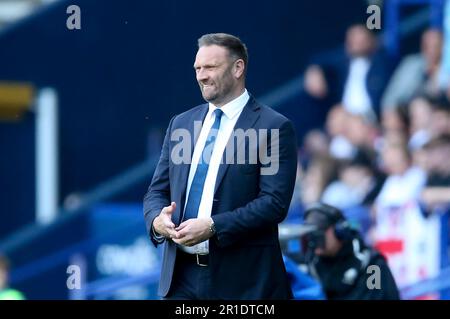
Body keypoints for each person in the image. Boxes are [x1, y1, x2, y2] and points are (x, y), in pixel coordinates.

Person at [143, 33, 298, 299]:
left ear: (238, 68)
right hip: (181, 280)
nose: (201, 76)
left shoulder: (273, 127)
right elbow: (156, 192)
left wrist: (213, 225)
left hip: (243, 284)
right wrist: (158, 221)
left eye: (210, 67)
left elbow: (274, 204)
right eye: (197, 69)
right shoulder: (181, 124)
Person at [301, 203, 400, 300]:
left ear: (339, 231)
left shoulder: (373, 265)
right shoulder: (311, 263)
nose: (314, 242)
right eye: (310, 236)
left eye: (318, 235)